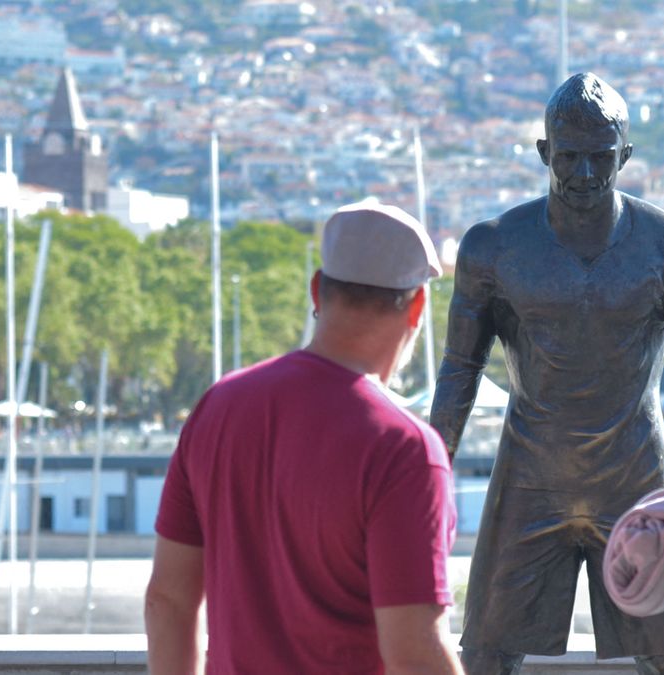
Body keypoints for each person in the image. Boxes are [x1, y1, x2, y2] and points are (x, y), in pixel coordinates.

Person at [430, 72, 664, 675]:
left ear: (624, 155)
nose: (586, 176)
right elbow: (457, 378)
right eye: (569, 158)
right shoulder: (493, 247)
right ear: (546, 153)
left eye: (601, 159)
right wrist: (426, 480)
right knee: (485, 654)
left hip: (635, 477)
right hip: (528, 479)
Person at [145, 201, 463, 674]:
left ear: (317, 290)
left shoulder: (219, 407)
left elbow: (169, 600)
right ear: (417, 306)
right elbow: (415, 652)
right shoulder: (404, 450)